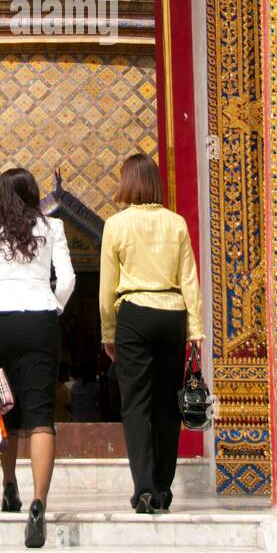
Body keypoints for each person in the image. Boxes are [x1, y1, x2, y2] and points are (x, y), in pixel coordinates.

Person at [0, 167, 75, 547]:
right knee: (41, 415)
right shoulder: (52, 228)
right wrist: (54, 307)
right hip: (41, 321)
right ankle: (38, 503)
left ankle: (10, 484)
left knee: (7, 409)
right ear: (33, 194)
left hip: (1, 322)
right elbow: (67, 281)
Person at [99, 151, 204, 514]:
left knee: (136, 405)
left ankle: (143, 488)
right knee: (166, 405)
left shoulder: (116, 225)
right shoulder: (176, 223)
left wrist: (108, 333)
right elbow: (189, 279)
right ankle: (162, 486)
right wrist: (196, 330)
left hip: (134, 315)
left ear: (127, 183)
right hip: (172, 314)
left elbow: (106, 288)